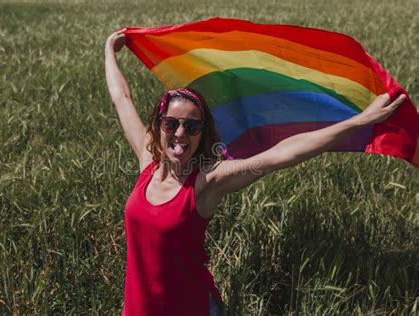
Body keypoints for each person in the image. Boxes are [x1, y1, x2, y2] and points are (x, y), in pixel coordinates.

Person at [105, 28, 406, 316]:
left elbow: (282, 154)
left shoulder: (207, 182)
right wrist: (110, 50)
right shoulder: (148, 163)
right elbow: (122, 99)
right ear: (158, 127)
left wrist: (359, 122)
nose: (180, 133)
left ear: (202, 134)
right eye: (172, 124)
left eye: (192, 126)